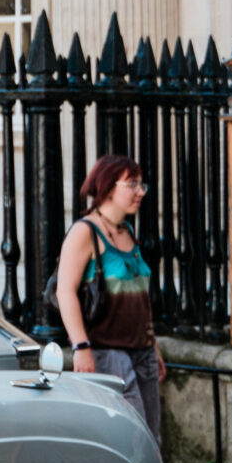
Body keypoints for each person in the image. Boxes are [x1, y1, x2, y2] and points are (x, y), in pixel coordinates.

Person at [53, 156, 165, 439]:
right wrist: (81, 347)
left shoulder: (127, 232)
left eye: (142, 184)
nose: (141, 192)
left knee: (152, 437)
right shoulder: (85, 232)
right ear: (108, 188)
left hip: (142, 350)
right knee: (133, 436)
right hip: (108, 351)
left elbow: (140, 296)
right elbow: (65, 290)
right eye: (133, 184)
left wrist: (154, 345)